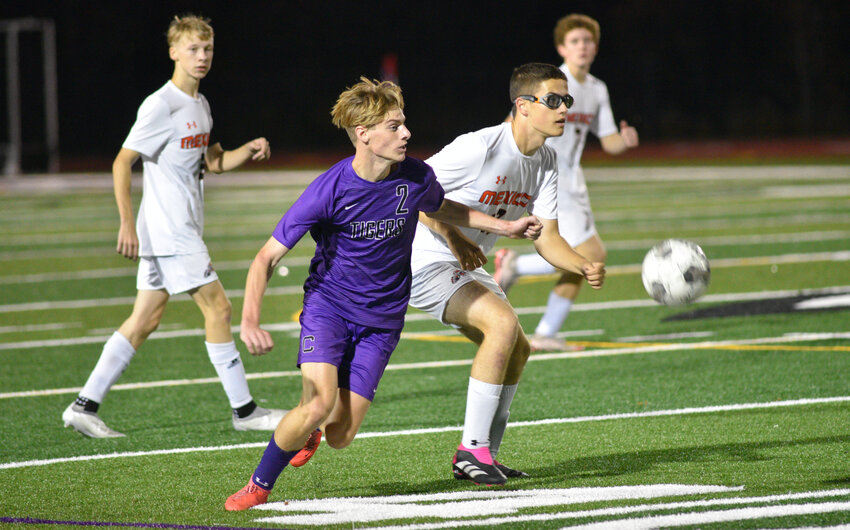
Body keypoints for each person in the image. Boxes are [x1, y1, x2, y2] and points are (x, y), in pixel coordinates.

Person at [224, 77, 541, 511]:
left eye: (403, 123)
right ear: (363, 134)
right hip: (329, 308)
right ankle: (259, 484)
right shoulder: (328, 190)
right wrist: (248, 321)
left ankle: (312, 432)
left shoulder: (415, 175)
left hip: (383, 320)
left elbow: (439, 206)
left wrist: (500, 228)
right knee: (316, 404)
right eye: (393, 126)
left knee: (340, 436)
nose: (405, 133)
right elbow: (265, 259)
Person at [62, 15, 285, 438]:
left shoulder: (200, 105)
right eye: (193, 49)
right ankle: (245, 411)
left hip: (174, 229)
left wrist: (248, 149)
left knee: (144, 319)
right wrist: (126, 223)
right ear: (174, 52)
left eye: (208, 50)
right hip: (170, 229)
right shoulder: (160, 105)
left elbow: (212, 162)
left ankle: (83, 406)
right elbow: (122, 162)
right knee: (218, 308)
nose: (202, 57)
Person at [405, 62, 606, 486]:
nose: (563, 109)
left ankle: (486, 456)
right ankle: (470, 451)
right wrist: (456, 238)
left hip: (465, 263)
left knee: (519, 347)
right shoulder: (479, 146)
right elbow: (413, 194)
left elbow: (548, 239)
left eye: (566, 100)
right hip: (423, 255)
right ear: (523, 105)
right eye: (553, 100)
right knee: (501, 323)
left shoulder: (547, 161)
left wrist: (582, 265)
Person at [493, 13, 638, 352]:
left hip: (573, 178)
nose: (582, 47)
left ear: (595, 47)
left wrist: (625, 140)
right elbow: (514, 122)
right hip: (549, 174)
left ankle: (545, 330)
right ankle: (520, 270)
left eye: (587, 41)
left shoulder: (597, 88)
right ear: (562, 47)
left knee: (589, 257)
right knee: (590, 254)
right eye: (575, 41)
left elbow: (608, 141)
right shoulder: (552, 84)